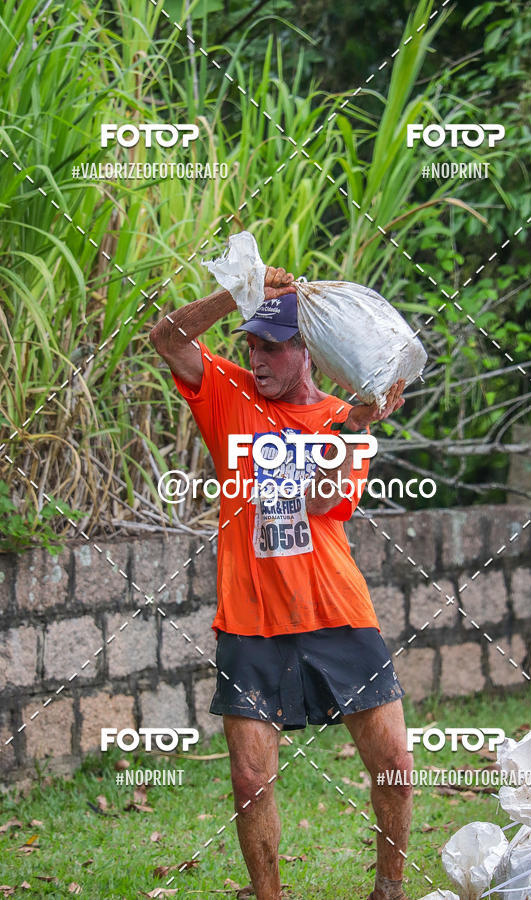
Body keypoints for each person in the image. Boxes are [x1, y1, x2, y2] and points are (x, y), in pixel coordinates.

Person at [149, 264, 414, 900]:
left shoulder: (341, 418)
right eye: (251, 345)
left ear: (307, 352)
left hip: (337, 611)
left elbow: (322, 501)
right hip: (251, 618)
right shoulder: (227, 393)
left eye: (272, 346)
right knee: (250, 780)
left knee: (395, 767)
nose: (257, 359)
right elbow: (166, 338)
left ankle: (390, 888)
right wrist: (238, 292)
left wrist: (353, 428)